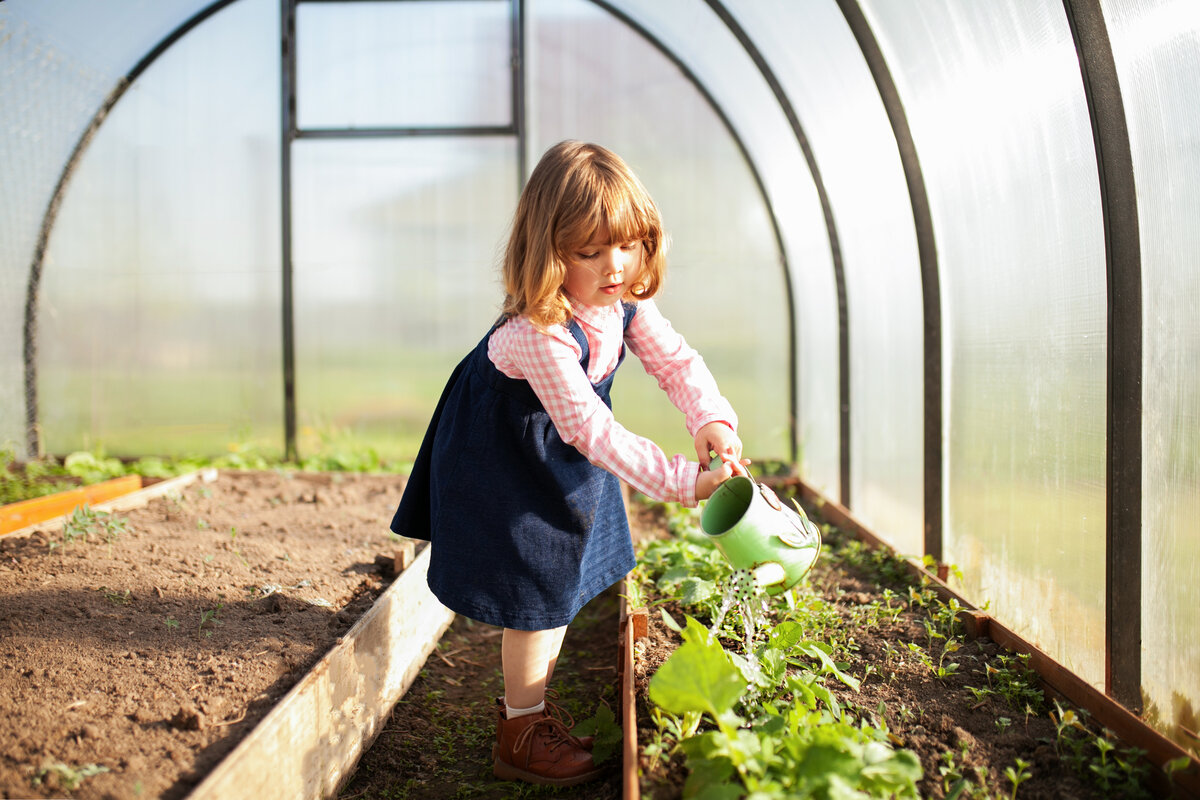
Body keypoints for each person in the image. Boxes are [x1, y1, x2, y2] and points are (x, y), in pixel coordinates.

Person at [390, 140, 748, 787]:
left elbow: (674, 362)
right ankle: (519, 731)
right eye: (590, 251)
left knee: (565, 574)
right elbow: (589, 429)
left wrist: (710, 419)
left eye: (628, 244)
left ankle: (530, 707)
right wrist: (680, 483)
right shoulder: (538, 332)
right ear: (548, 252)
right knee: (538, 591)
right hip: (504, 459)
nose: (615, 265)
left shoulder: (622, 302)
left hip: (556, 448)